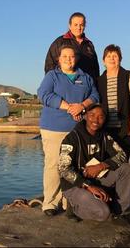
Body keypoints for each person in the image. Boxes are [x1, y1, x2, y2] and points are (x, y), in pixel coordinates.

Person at [37, 44, 99, 216]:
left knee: (73, 166)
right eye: (64, 56)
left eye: (71, 56)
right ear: (59, 58)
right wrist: (69, 107)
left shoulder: (84, 77)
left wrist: (82, 106)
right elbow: (43, 94)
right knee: (54, 165)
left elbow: (94, 96)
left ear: (76, 58)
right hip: (53, 127)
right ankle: (50, 202)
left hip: (76, 130)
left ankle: (69, 201)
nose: (68, 59)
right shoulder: (52, 76)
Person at [58, 103, 130, 221]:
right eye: (92, 115)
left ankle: (119, 213)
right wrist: (88, 185)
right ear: (85, 116)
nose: (96, 120)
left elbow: (122, 154)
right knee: (103, 213)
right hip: (76, 185)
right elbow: (63, 169)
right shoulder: (71, 138)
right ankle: (74, 208)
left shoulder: (105, 136)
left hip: (97, 178)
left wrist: (101, 166)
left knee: (126, 169)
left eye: (101, 117)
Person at [97, 45, 130, 161]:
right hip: (105, 128)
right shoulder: (99, 81)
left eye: (115, 56)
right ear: (103, 60)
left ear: (120, 59)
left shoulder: (128, 76)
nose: (112, 59)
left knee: (123, 160)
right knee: (106, 161)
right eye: (108, 56)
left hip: (124, 127)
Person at [44, 12, 100, 82]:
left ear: (85, 26)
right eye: (75, 25)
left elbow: (95, 69)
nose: (78, 28)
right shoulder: (59, 42)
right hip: (65, 87)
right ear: (70, 26)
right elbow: (49, 66)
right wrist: (57, 83)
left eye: (81, 25)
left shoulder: (89, 44)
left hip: (86, 87)